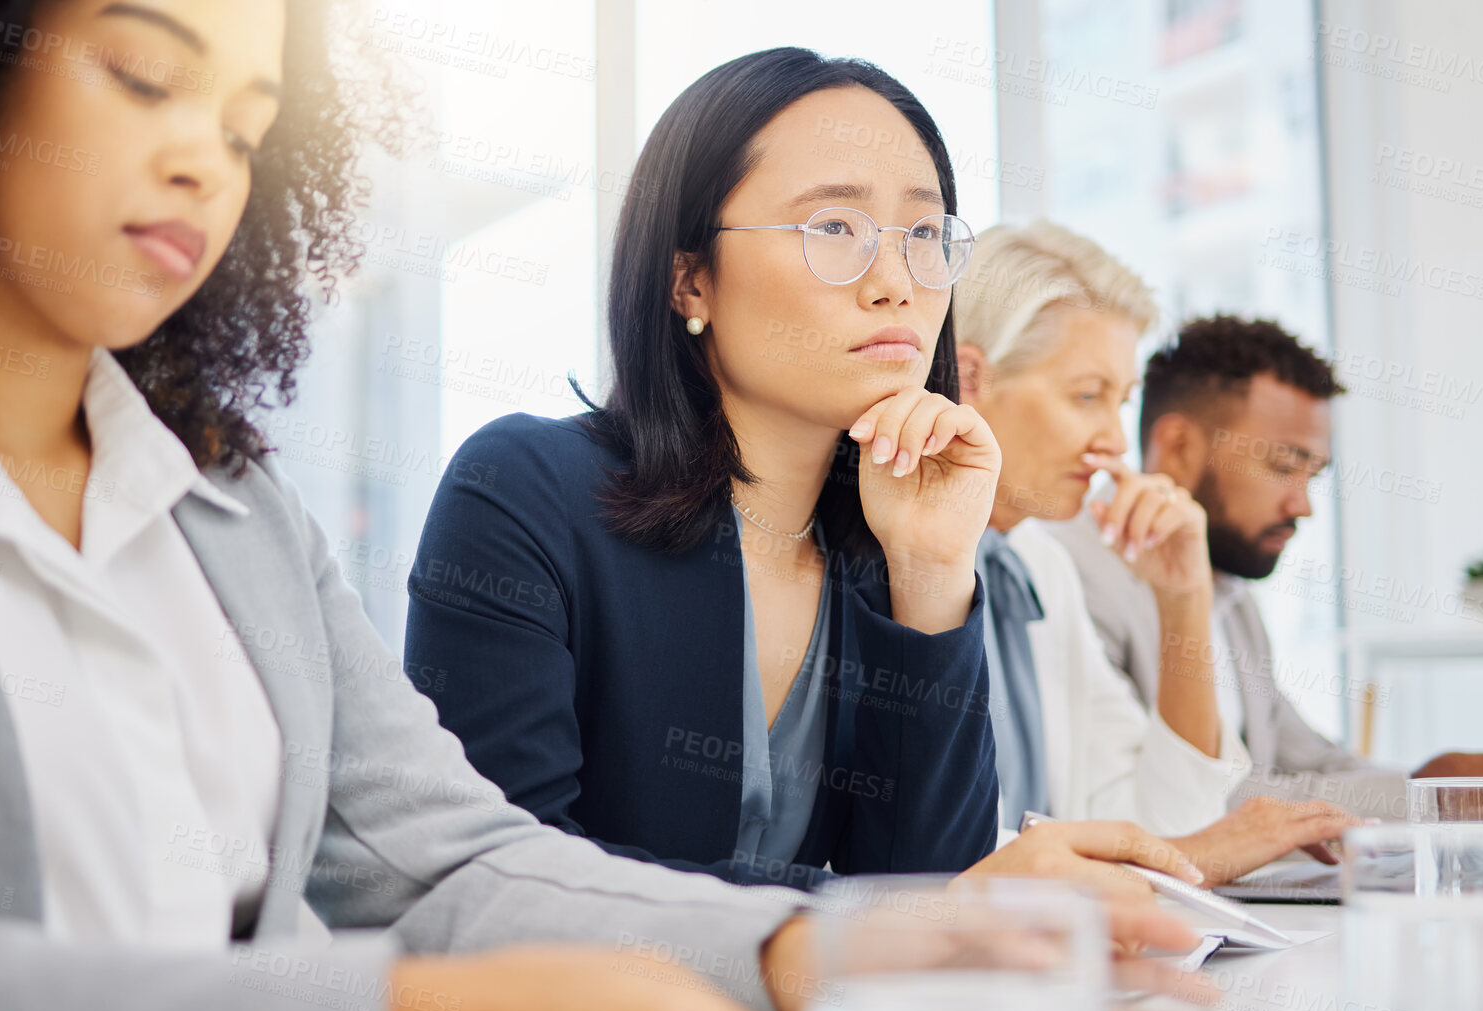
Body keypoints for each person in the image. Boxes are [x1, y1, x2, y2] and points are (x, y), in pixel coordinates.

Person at [0, 7, 1200, 1011]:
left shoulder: (229, 507)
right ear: (688, 277)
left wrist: (822, 937)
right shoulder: (528, 488)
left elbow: (445, 865)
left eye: (247, 130)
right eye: (140, 73)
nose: (202, 164)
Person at [403, 49, 1252, 900]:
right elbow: (508, 888)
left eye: (922, 236)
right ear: (688, 278)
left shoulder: (881, 545)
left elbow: (928, 893)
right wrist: (894, 912)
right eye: (834, 229)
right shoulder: (522, 494)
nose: (895, 284)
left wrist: (929, 571)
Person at [949, 222, 1356, 883]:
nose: (1114, 441)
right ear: (970, 379)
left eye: (1122, 400)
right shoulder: (897, 563)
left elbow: (1160, 825)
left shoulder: (1034, 568)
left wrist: (1184, 601)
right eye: (1086, 396)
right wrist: (1190, 856)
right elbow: (942, 866)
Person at [1050, 315, 1483, 821]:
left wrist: (1443, 782)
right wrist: (1428, 799)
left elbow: (1311, 761)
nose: (1304, 506)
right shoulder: (1075, 580)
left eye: (1313, 474)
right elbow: (1190, 798)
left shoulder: (1232, 595)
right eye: (1282, 467)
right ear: (1179, 448)